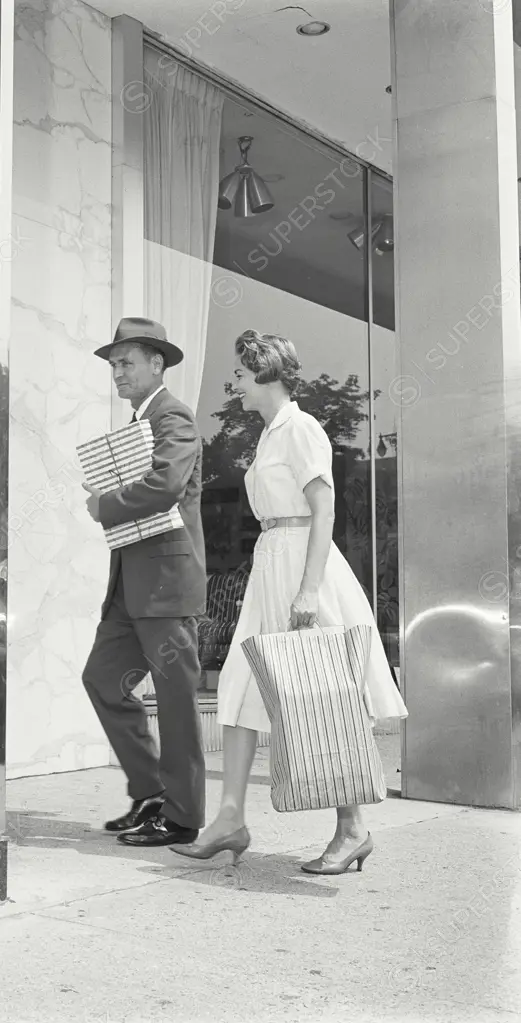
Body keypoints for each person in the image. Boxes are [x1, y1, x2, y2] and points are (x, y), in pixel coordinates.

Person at [173, 329, 408, 873]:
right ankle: (230, 818)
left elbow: (322, 511)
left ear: (266, 372)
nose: (233, 381)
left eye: (239, 372)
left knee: (321, 694)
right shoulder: (268, 436)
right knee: (237, 686)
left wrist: (307, 588)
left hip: (305, 563)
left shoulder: (301, 429)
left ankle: (352, 828)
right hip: (271, 563)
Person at [81, 316, 207, 847]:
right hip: (131, 587)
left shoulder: (172, 414)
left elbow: (167, 484)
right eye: (113, 364)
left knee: (176, 700)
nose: (117, 372)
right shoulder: (140, 421)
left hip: (165, 585)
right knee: (103, 680)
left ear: (157, 364)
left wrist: (102, 504)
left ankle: (183, 816)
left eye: (125, 362)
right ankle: (151, 790)